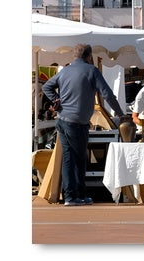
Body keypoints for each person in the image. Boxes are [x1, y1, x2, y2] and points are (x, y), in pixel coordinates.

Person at [42, 44, 126, 206]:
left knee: (69, 159)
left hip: (62, 120)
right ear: (89, 56)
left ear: (74, 56)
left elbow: (47, 86)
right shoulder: (91, 71)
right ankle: (78, 195)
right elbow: (107, 94)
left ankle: (70, 197)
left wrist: (55, 99)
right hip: (78, 123)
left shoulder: (65, 71)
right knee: (80, 159)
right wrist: (120, 113)